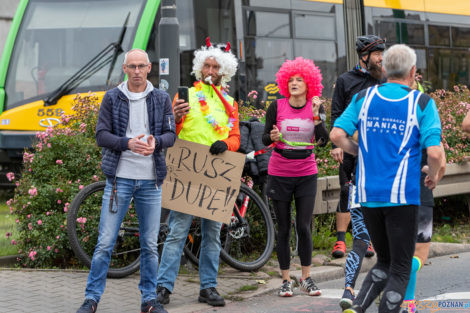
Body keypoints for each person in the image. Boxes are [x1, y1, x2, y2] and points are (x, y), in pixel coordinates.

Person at [331, 44, 445, 313]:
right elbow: (436, 152)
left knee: (383, 262)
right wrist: (433, 174)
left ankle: (356, 308)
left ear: (384, 69)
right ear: (413, 72)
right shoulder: (422, 102)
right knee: (401, 267)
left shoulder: (364, 98)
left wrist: (360, 151)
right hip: (402, 196)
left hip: (368, 195)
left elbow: (336, 135)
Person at [76, 49, 176, 313]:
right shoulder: (112, 97)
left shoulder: (161, 98)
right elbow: (101, 136)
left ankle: (149, 300)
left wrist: (156, 143)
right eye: (131, 66)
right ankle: (92, 298)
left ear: (149, 68)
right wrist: (126, 143)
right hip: (119, 180)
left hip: (150, 181)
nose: (136, 71)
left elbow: (171, 135)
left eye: (141, 66)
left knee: (150, 245)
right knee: (105, 243)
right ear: (124, 69)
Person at [156, 38, 240, 307]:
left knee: (213, 234)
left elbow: (236, 138)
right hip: (189, 171)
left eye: (216, 67)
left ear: (224, 72)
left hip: (216, 172)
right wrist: (177, 117)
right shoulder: (186, 95)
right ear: (199, 69)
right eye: (207, 65)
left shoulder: (230, 102)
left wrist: (225, 144)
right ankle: (163, 288)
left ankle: (208, 287)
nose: (211, 71)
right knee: (177, 231)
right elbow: (171, 130)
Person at [262, 57, 328, 297]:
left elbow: (323, 140)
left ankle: (307, 278)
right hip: (279, 172)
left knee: (303, 226)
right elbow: (265, 140)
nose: (294, 83)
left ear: (309, 83)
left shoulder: (316, 107)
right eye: (290, 80)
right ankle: (285, 279)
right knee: (283, 229)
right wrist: (273, 136)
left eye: (299, 79)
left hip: (306, 173)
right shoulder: (276, 107)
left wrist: (316, 116)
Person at [330, 35, 386, 259]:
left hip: (374, 150)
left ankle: (367, 238)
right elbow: (336, 112)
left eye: (382, 53)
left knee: (369, 193)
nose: (382, 58)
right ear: (364, 57)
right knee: (346, 190)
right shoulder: (345, 80)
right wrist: (336, 145)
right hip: (348, 145)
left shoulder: (384, 79)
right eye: (377, 54)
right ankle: (341, 240)